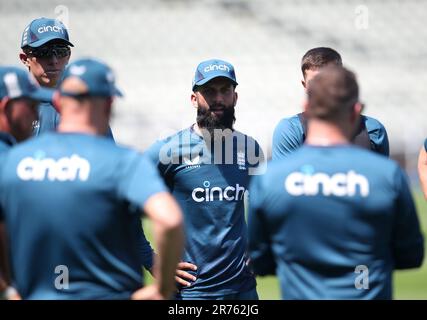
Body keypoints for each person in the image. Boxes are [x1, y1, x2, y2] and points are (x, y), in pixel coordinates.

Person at [0, 58, 184, 299]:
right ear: (109, 104)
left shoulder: (16, 161)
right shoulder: (123, 162)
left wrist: (8, 290)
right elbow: (169, 221)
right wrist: (162, 287)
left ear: (57, 102)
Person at [248, 66, 424, 299]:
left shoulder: (270, 179)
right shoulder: (387, 175)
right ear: (356, 111)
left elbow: (261, 261)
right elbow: (410, 255)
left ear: (306, 108)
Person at [145, 59, 264, 300]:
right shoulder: (167, 151)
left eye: (225, 91)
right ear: (194, 99)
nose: (218, 98)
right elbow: (122, 208)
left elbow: (265, 205)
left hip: (243, 292)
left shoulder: (249, 149)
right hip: (191, 293)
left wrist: (262, 245)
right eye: (209, 91)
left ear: (235, 97)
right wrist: (152, 261)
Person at [272, 47, 389, 159]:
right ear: (305, 86)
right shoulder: (291, 130)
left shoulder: (373, 130)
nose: (324, 89)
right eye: (315, 83)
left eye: (330, 82)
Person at [0, 66, 54, 300]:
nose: (37, 115)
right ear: (5, 107)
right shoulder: (8, 162)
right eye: (31, 107)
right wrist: (7, 289)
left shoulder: (11, 154)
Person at [20, 17, 114, 139]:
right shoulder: (14, 108)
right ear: (24, 59)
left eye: (60, 52)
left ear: (68, 56)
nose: (54, 60)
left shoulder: (84, 105)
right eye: (43, 52)